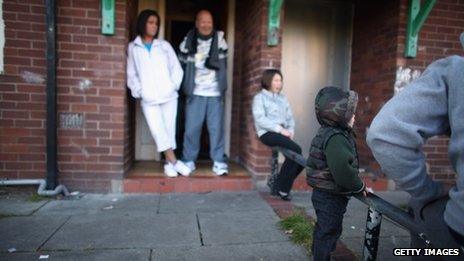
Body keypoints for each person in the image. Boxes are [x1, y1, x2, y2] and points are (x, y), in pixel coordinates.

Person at [366, 33, 464, 252]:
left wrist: (428, 191)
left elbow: (385, 134)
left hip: (460, 227)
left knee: (422, 208)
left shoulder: (456, 71)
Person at [127, 9, 191, 177]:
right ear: (142, 24)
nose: (154, 26)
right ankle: (175, 162)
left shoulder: (164, 46)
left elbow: (176, 69)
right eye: (150, 22)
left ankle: (169, 165)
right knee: (158, 131)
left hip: (169, 96)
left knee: (169, 131)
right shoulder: (133, 47)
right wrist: (140, 92)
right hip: (149, 99)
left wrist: (172, 86)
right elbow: (131, 74)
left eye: (156, 23)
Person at [306, 86, 366, 260]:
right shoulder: (336, 138)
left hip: (325, 192)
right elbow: (342, 171)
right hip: (330, 194)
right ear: (338, 115)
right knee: (329, 231)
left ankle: (318, 253)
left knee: (325, 229)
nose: (354, 116)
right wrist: (359, 186)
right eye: (350, 113)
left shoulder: (328, 132)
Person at [178, 10, 229, 176]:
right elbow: (181, 66)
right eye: (203, 21)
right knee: (192, 128)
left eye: (209, 21)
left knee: (216, 129)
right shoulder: (188, 41)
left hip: (214, 93)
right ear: (197, 23)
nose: (206, 25)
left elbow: (224, 64)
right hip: (195, 92)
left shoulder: (220, 40)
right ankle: (188, 160)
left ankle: (219, 161)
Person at [252, 69, 303, 201]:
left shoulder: (283, 98)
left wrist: (290, 130)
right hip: (267, 133)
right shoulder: (259, 98)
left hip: (283, 133)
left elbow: (290, 117)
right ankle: (283, 188)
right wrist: (280, 130)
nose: (279, 83)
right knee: (297, 151)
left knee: (299, 159)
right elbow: (260, 119)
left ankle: (279, 185)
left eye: (280, 80)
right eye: (276, 80)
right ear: (268, 80)